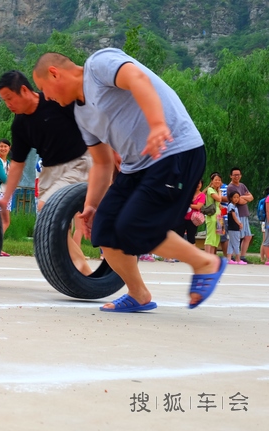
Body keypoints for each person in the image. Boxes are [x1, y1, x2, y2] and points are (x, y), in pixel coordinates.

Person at [32, 49, 226, 312]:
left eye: (44, 88)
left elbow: (137, 78)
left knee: (135, 227)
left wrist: (158, 124)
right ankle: (139, 294)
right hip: (136, 166)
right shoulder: (81, 115)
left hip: (174, 150)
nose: (46, 97)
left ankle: (206, 263)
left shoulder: (98, 65)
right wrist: (91, 205)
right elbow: (102, 162)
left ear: (54, 73)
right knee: (105, 230)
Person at [0, 70, 94, 273]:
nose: (8, 105)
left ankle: (82, 268)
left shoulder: (54, 101)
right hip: (51, 171)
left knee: (47, 207)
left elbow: (90, 121)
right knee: (49, 221)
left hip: (79, 161)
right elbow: (17, 163)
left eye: (9, 98)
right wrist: (6, 198)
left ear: (24, 90)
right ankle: (75, 267)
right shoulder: (20, 124)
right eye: (4, 101)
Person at [226, 167, 253, 263]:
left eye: (238, 174)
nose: (237, 176)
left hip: (245, 214)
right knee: (237, 236)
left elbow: (251, 197)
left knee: (247, 236)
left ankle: (242, 256)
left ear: (240, 175)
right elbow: (240, 201)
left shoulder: (242, 185)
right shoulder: (231, 187)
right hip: (238, 214)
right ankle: (233, 256)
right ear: (231, 176)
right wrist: (245, 198)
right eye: (235, 175)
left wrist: (243, 197)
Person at [175, 179, 205, 245]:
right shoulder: (187, 193)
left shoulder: (202, 195)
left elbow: (198, 206)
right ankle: (177, 253)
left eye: (199, 183)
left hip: (193, 219)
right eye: (196, 183)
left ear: (201, 184)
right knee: (179, 236)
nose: (197, 185)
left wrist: (186, 204)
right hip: (182, 217)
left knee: (191, 238)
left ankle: (191, 254)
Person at [203, 173, 227, 254]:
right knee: (210, 236)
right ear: (212, 181)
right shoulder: (210, 190)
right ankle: (207, 255)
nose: (218, 181)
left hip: (219, 216)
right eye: (216, 180)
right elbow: (219, 199)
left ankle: (212, 255)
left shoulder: (216, 191)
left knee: (217, 237)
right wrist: (220, 191)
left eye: (219, 180)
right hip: (212, 215)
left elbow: (218, 204)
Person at [226, 192, 245, 264]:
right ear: (231, 198)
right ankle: (238, 259)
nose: (236, 199)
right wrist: (239, 223)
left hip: (234, 227)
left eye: (237, 197)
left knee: (231, 243)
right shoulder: (231, 206)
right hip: (233, 227)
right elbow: (234, 216)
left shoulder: (235, 206)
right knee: (236, 243)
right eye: (234, 197)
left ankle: (229, 258)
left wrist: (240, 223)